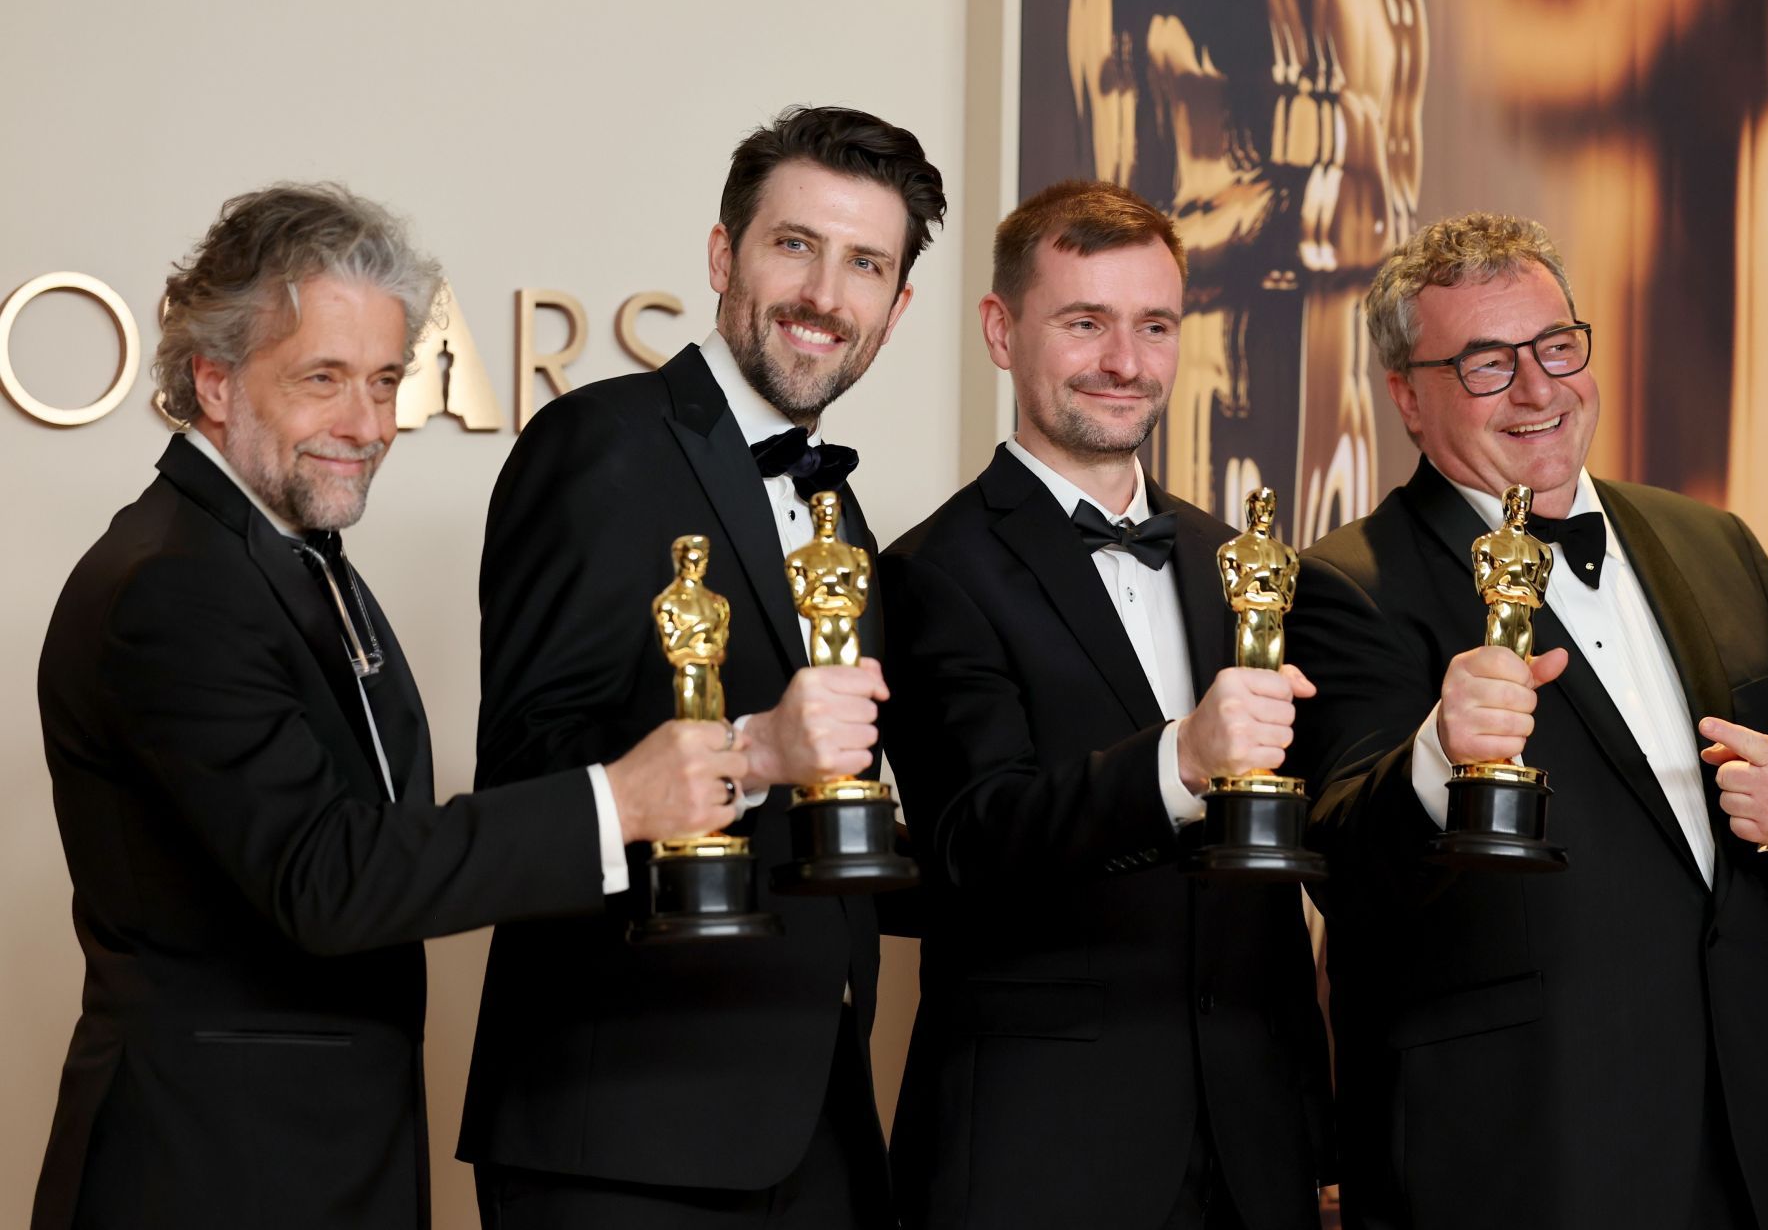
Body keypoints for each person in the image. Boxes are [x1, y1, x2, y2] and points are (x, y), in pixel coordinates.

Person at [31, 184, 749, 1230]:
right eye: (322, 379)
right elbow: (329, 875)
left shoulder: (284, 550)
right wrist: (616, 803)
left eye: (384, 381)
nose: (367, 427)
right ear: (215, 380)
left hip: (320, 1154)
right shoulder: (175, 584)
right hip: (209, 1168)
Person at [1288, 211, 1768, 1230]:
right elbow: (1344, 858)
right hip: (1516, 1159)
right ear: (1406, 395)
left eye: (1556, 346)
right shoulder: (1347, 586)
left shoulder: (1714, 541)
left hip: (1740, 1132)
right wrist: (1442, 755)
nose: (1539, 389)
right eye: (1486, 364)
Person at [457, 105, 946, 1229]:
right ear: (724, 254)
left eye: (865, 262)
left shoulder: (840, 509)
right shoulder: (600, 444)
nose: (826, 292)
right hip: (624, 1135)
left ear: (898, 305)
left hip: (812, 1124)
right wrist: (757, 750)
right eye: (794, 245)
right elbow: (528, 776)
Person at [878, 179, 1332, 1230]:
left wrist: (1313, 1134)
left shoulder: (1241, 563)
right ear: (1003, 330)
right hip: (1038, 1157)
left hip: (1254, 1149)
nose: (1124, 362)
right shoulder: (931, 571)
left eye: (1154, 325)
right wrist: (1180, 760)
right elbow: (967, 841)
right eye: (1084, 322)